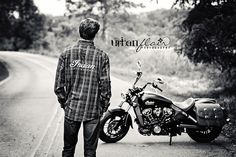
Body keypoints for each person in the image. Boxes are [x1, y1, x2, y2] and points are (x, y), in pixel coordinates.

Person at [54, 18, 111, 157]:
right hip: (92, 110)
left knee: (68, 149)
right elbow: (105, 86)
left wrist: (64, 103)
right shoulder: (102, 56)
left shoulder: (66, 54)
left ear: (80, 32)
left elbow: (58, 86)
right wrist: (102, 107)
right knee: (90, 151)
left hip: (72, 108)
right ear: (95, 34)